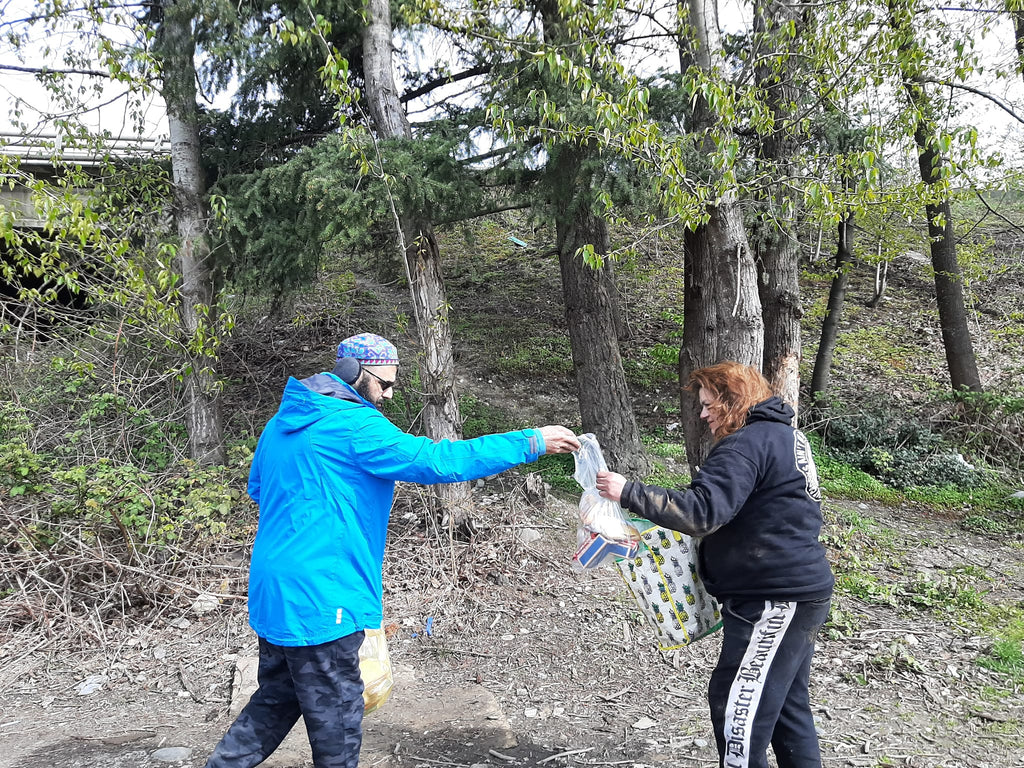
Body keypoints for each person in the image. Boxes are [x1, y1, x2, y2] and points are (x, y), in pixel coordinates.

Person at [204, 332, 580, 768]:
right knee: (338, 721)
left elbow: (258, 490)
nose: (388, 393)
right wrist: (530, 441)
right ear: (352, 374)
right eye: (383, 383)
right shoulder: (355, 425)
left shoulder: (280, 424)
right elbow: (439, 461)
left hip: (273, 591)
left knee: (277, 698)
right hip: (325, 598)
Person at [595, 361, 834, 768]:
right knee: (787, 706)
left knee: (737, 706)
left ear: (733, 401)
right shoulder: (788, 438)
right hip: (799, 591)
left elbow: (704, 512)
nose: (703, 414)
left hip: (773, 599)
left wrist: (628, 492)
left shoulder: (746, 444)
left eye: (709, 405)